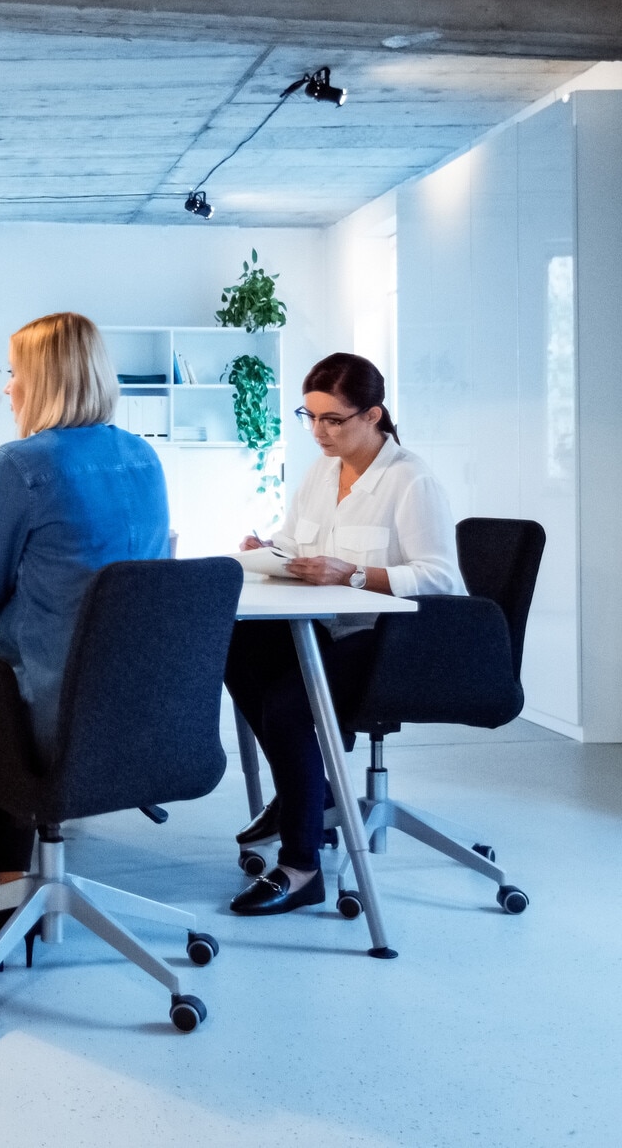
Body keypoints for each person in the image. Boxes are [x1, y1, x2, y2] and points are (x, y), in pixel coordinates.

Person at [0, 313, 168, 961]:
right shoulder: (143, 456)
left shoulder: (21, 463)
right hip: (138, 706)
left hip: (52, 705)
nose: (9, 388)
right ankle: (10, 891)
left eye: (17, 373)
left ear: (46, 381)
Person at [224, 351, 463, 916]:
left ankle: (301, 866)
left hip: (390, 642)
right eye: (309, 417)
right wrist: (270, 550)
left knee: (289, 704)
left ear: (372, 415)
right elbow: (298, 543)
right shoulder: (321, 473)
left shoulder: (410, 480)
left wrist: (353, 573)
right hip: (326, 628)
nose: (318, 432)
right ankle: (314, 795)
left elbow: (441, 579)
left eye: (333, 419)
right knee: (235, 650)